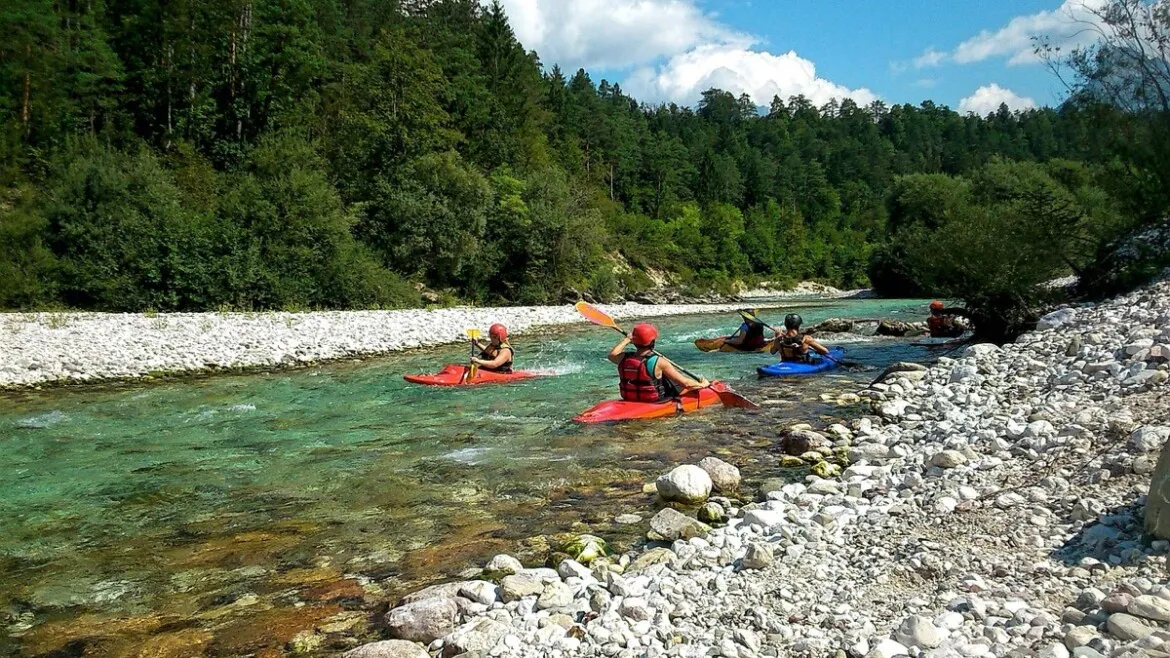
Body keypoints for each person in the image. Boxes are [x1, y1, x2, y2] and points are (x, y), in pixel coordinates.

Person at [608, 323, 709, 402]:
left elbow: (612, 355)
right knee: (680, 385)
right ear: (652, 342)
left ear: (633, 342)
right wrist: (703, 385)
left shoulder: (624, 358)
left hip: (630, 398)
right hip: (652, 400)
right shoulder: (659, 361)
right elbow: (686, 384)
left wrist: (626, 340)